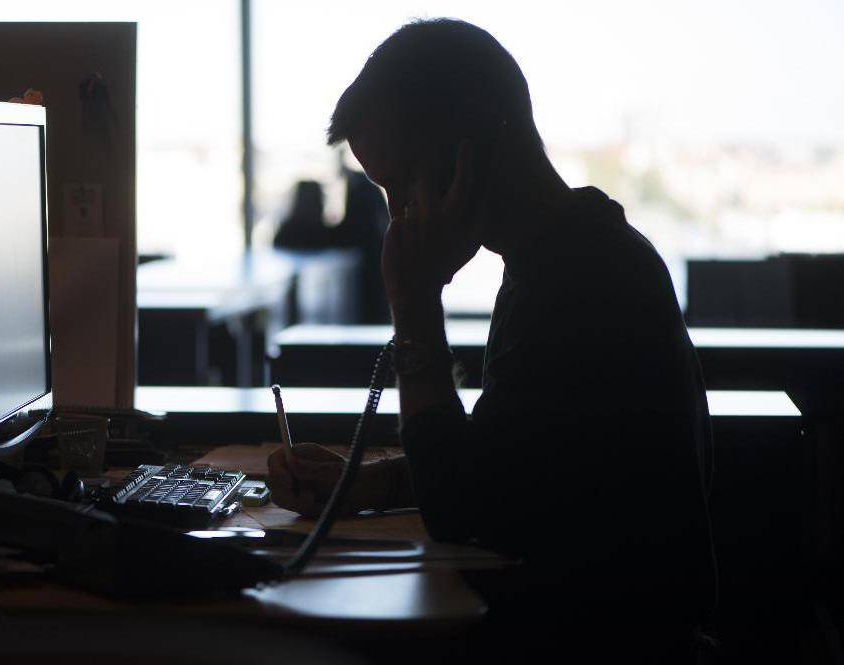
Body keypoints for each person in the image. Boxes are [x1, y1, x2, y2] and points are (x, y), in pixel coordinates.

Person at [267, 18, 717, 660]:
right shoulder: (564, 252)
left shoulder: (582, 281)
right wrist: (376, 484)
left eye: (404, 183)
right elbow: (510, 466)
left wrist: (415, 306)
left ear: (474, 143)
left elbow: (463, 509)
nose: (398, 219)